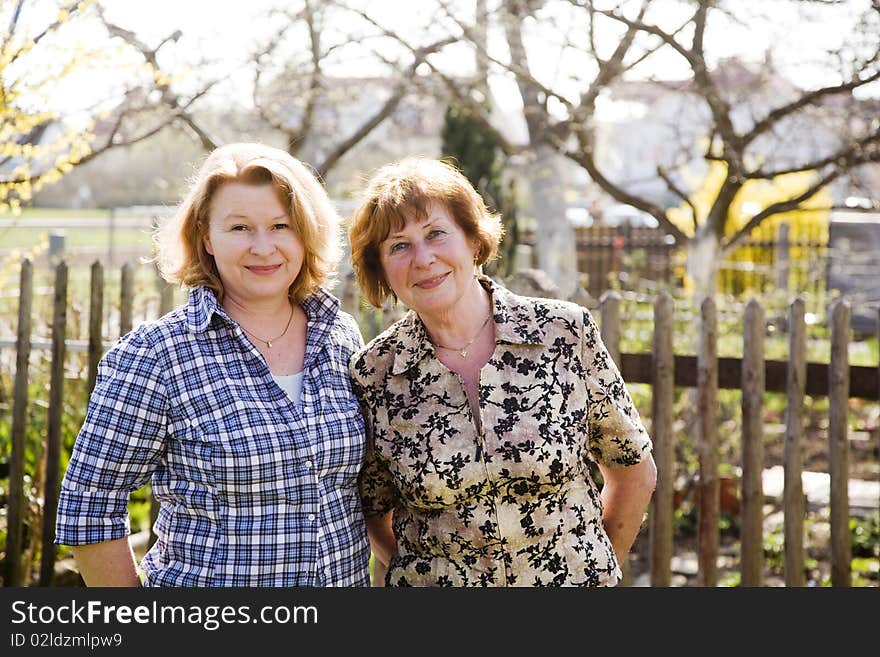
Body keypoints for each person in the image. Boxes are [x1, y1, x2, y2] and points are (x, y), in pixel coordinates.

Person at [55, 143, 371, 587]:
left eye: (281, 225)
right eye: (239, 227)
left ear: (305, 232)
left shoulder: (340, 335)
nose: (263, 247)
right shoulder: (155, 355)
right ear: (206, 236)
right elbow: (91, 503)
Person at [347, 157, 657, 587]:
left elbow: (633, 470)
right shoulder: (375, 373)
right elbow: (370, 509)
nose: (423, 258)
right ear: (380, 269)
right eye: (399, 245)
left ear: (473, 240)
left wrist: (596, 570)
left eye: (436, 233)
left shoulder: (562, 332)